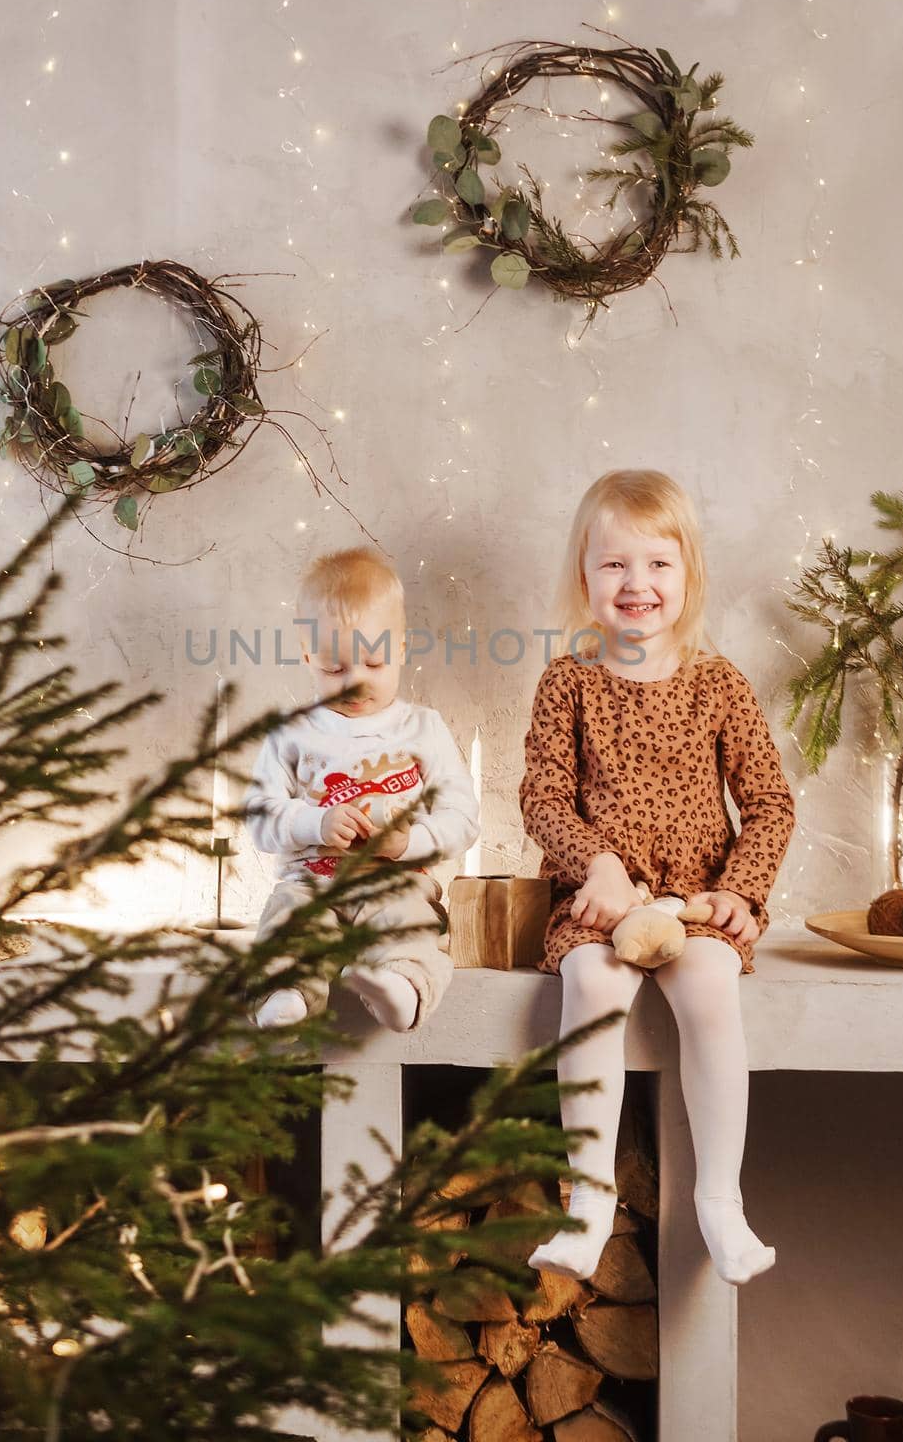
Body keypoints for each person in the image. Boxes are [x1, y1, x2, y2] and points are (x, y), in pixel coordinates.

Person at [519, 469, 796, 1284]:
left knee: (709, 985)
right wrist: (595, 866)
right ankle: (589, 1202)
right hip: (600, 900)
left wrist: (739, 892)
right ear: (583, 578)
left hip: (697, 898)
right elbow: (541, 796)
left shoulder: (718, 683)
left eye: (657, 564)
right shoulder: (567, 682)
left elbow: (770, 803)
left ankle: (720, 1200)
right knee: (593, 990)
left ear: (688, 576)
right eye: (613, 566)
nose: (636, 584)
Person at [246, 546, 479, 1032]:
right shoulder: (291, 734)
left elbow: (463, 816)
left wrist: (407, 842)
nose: (355, 682)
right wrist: (316, 822)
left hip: (394, 882)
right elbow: (260, 819)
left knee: (409, 925)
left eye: (373, 663)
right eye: (334, 669)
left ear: (400, 648)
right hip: (311, 884)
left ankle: (401, 988)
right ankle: (286, 993)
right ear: (308, 656)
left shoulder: (422, 729)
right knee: (289, 923)